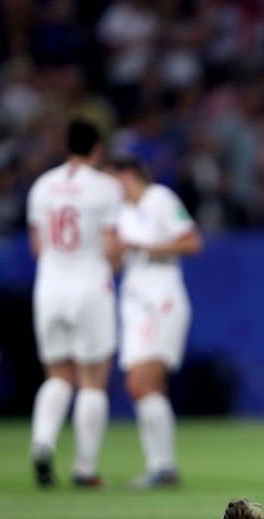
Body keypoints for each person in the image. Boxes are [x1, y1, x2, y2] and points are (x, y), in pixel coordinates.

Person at [27, 119, 123, 489]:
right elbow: (111, 246)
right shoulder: (105, 188)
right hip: (89, 285)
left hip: (49, 286)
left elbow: (38, 247)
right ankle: (84, 468)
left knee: (57, 375)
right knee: (92, 380)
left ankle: (42, 443)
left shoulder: (42, 186)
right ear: (97, 149)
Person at [106, 153, 203, 488]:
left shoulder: (159, 198)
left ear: (129, 175)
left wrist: (144, 245)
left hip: (161, 301)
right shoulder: (121, 212)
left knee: (140, 382)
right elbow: (117, 263)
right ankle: (161, 466)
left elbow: (191, 240)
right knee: (144, 386)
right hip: (134, 304)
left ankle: (162, 465)